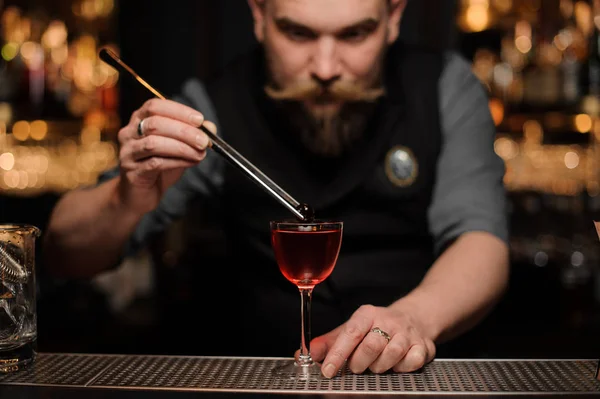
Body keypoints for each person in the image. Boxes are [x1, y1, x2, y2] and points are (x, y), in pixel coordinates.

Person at [43, 0, 509, 378]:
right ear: (259, 18)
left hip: (413, 378)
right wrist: (129, 195)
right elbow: (65, 252)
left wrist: (415, 319)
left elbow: (481, 239)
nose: (325, 67)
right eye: (298, 34)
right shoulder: (210, 108)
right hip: (262, 377)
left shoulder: (447, 87)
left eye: (355, 34)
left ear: (394, 19)